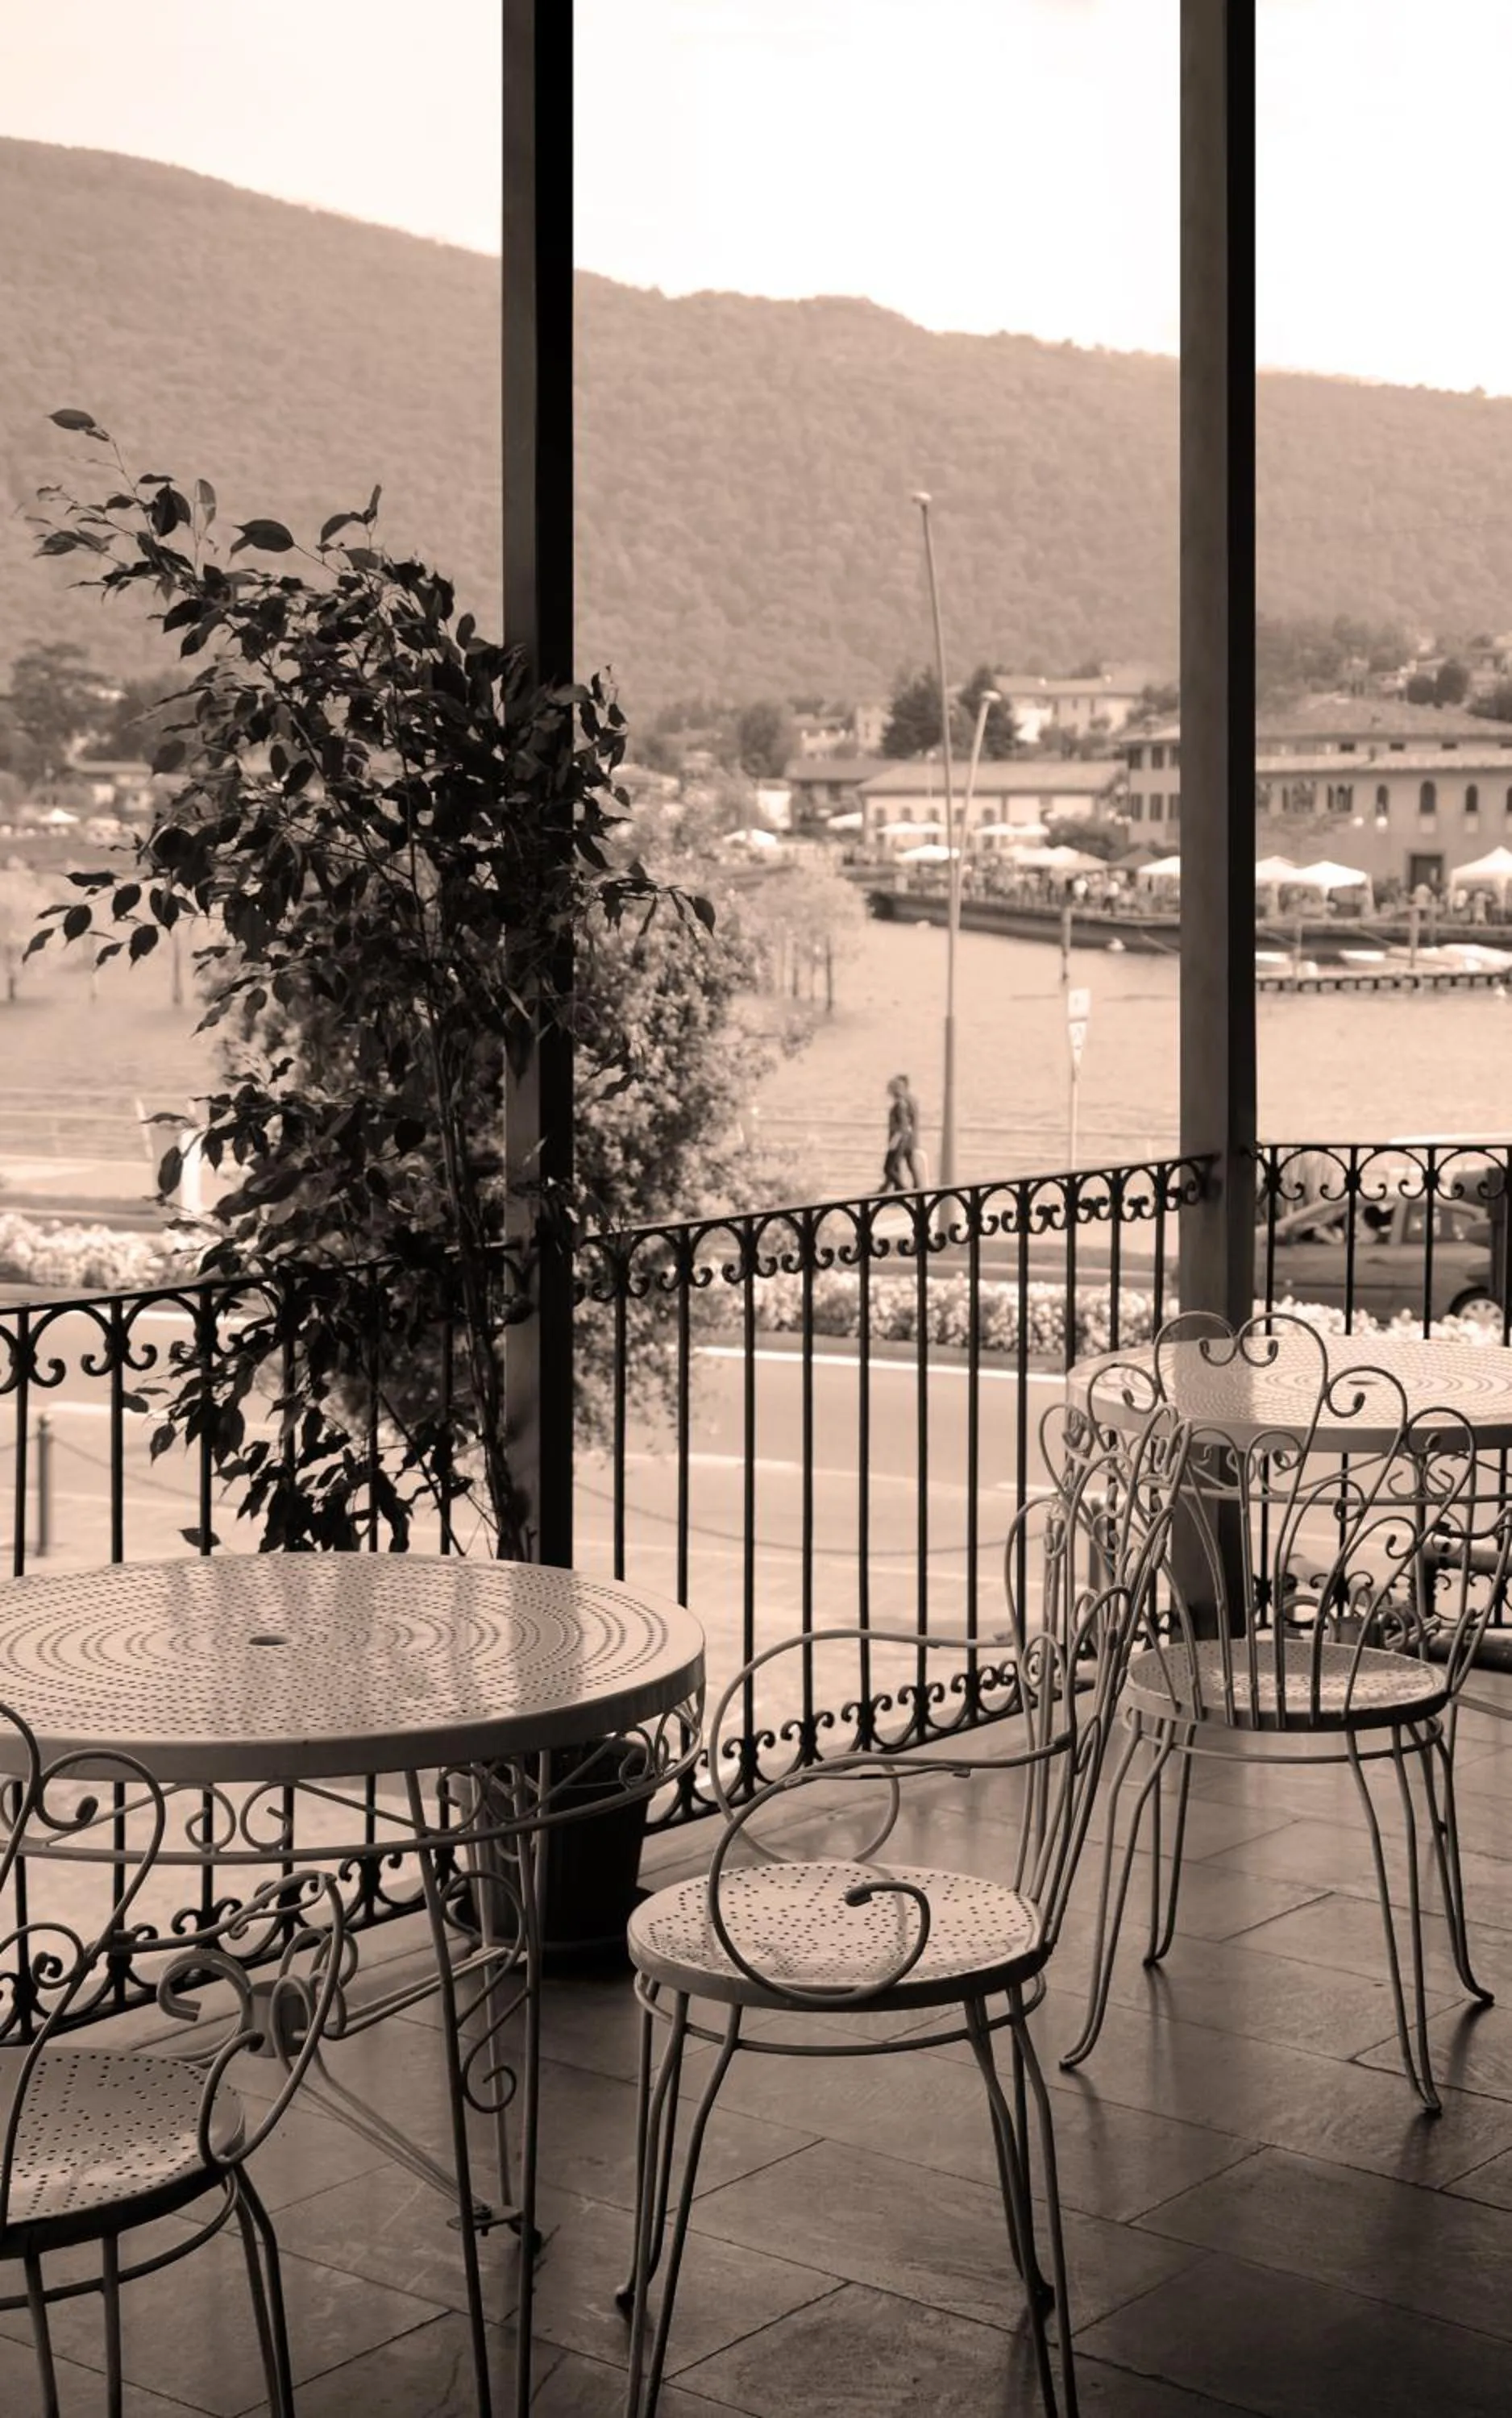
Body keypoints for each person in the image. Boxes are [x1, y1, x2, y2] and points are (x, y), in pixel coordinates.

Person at [881, 1073, 924, 1191]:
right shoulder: (909, 1100)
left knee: (892, 1166)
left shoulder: (904, 1102)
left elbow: (905, 1123)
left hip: (903, 1139)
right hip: (906, 1138)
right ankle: (892, 1189)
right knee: (899, 1165)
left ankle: (903, 1190)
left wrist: (895, 1140)